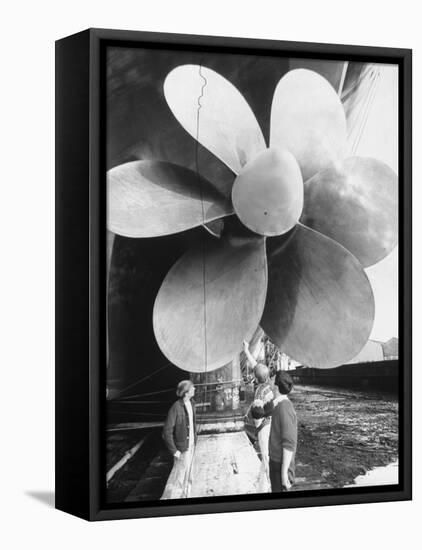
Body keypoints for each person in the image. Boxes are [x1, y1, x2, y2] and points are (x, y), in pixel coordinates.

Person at [243, 341, 274, 493]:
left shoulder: (259, 395)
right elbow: (256, 365)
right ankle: (262, 483)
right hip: (270, 423)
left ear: (255, 378)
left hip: (263, 427)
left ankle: (268, 484)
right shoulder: (268, 384)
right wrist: (246, 350)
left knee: (265, 455)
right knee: (266, 454)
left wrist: (255, 426)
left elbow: (258, 417)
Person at [162, 380, 197, 498]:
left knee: (189, 476)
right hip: (182, 449)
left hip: (191, 446)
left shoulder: (192, 403)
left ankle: (186, 497)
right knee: (179, 479)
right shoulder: (176, 407)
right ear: (186, 392)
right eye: (192, 388)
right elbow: (166, 432)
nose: (195, 389)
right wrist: (174, 451)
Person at [269, 370, 297, 492]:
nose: (269, 380)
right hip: (276, 461)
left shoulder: (285, 408)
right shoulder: (279, 404)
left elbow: (289, 443)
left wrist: (284, 473)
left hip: (281, 464)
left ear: (275, 386)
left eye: (272, 378)